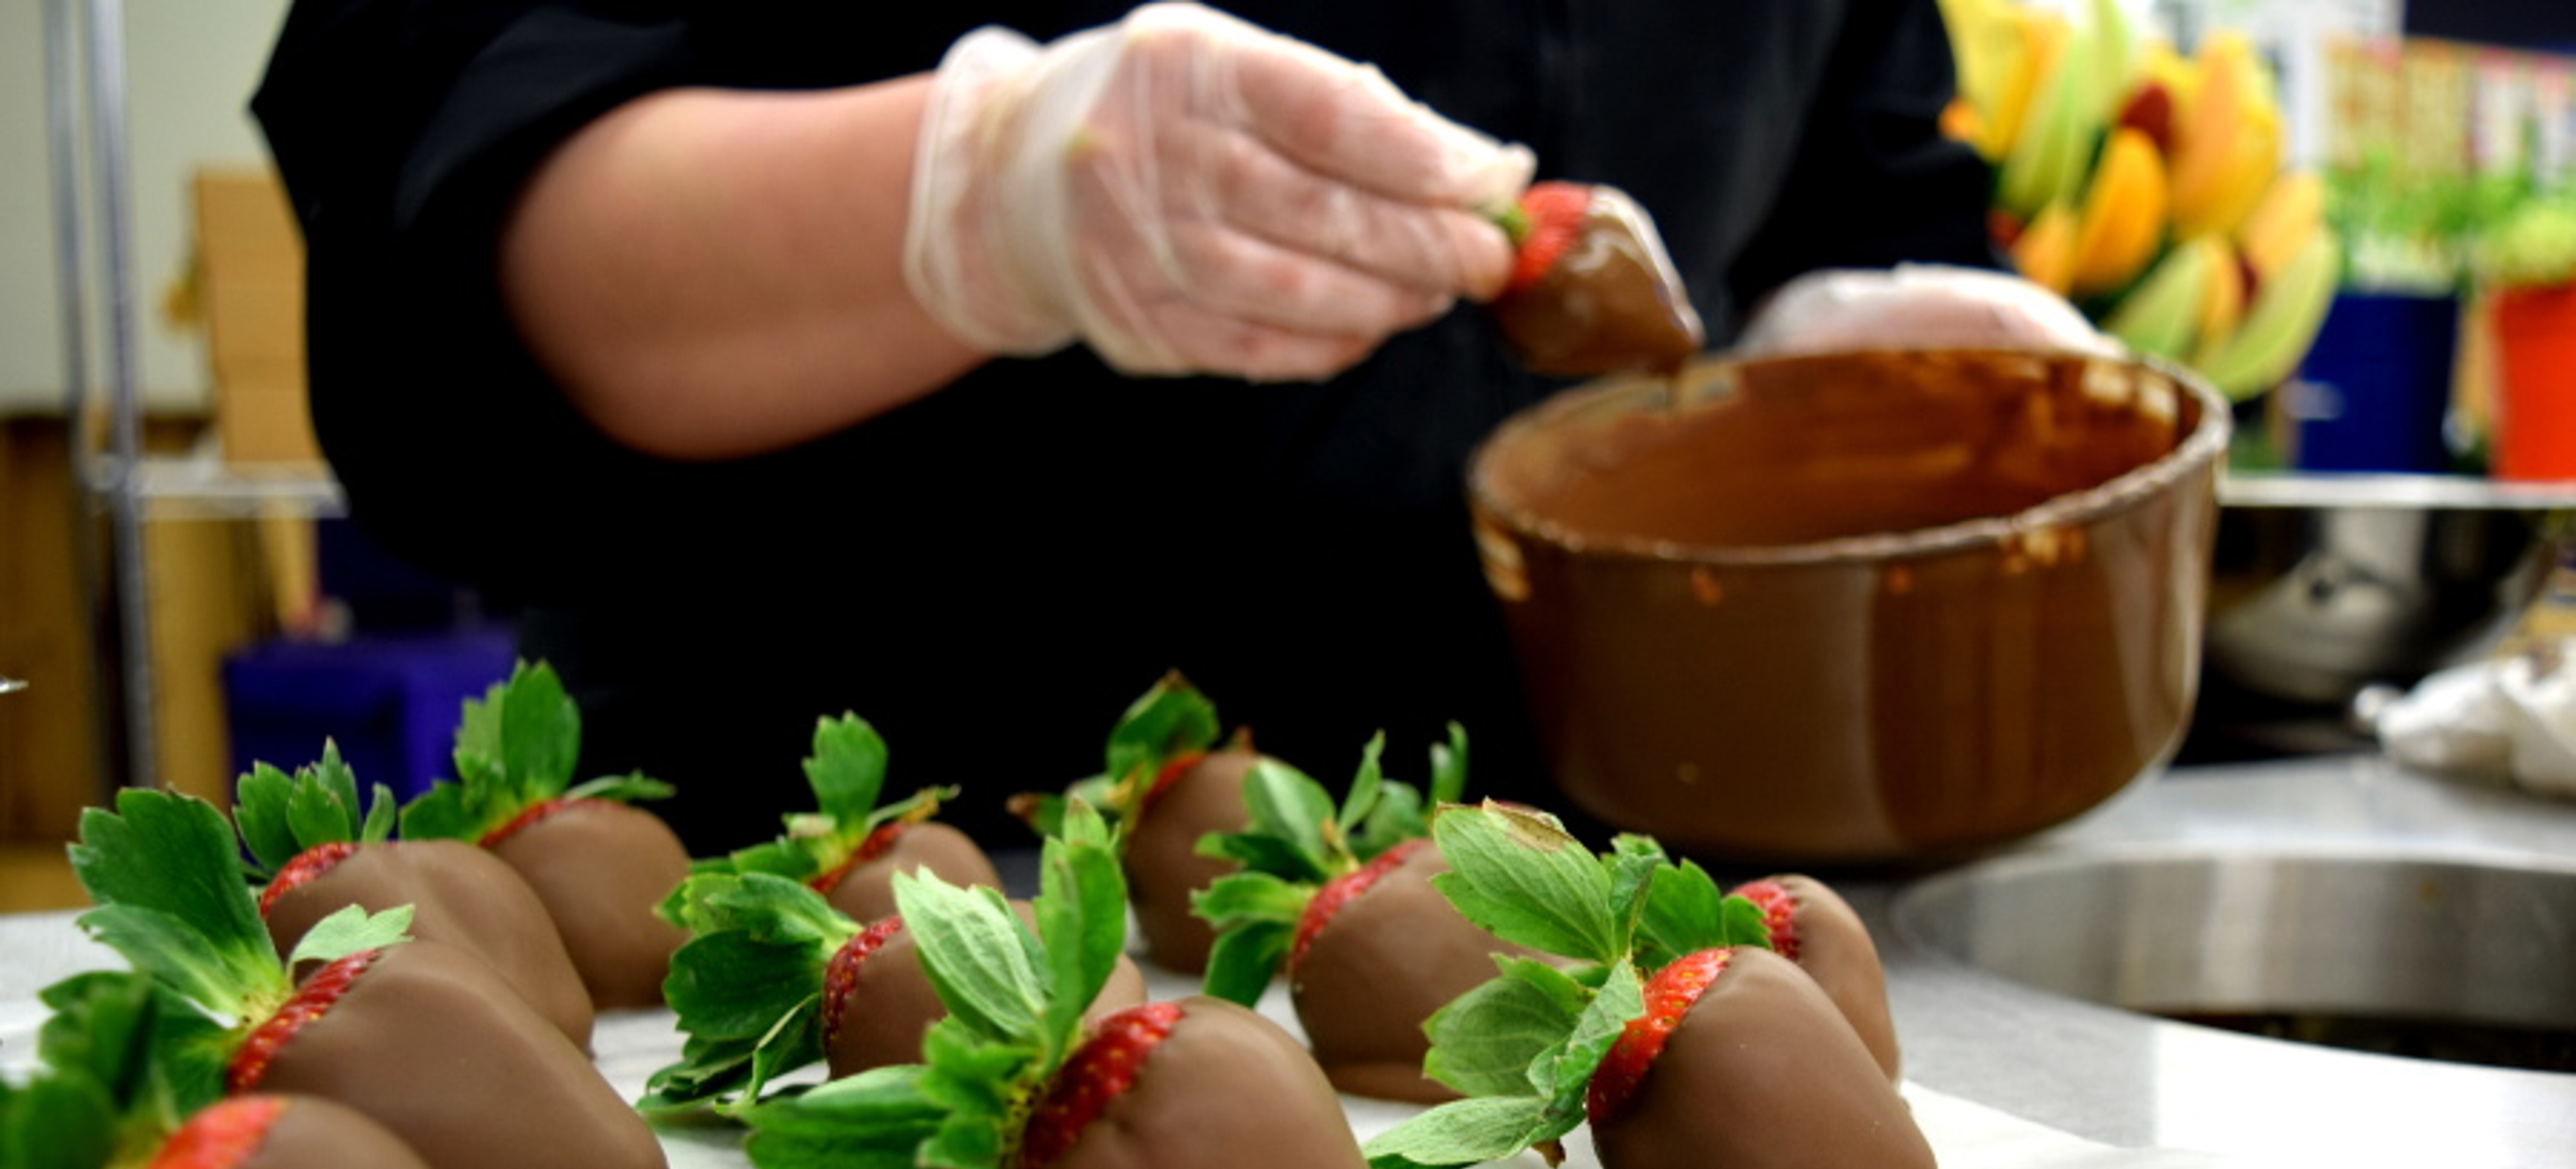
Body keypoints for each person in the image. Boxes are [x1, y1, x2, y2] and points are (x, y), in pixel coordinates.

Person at [252, 1, 2076, 851]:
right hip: (848, 939)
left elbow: (1855, 166)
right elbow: (439, 236)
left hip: (1557, 944)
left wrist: (1845, 333)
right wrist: (975, 201)